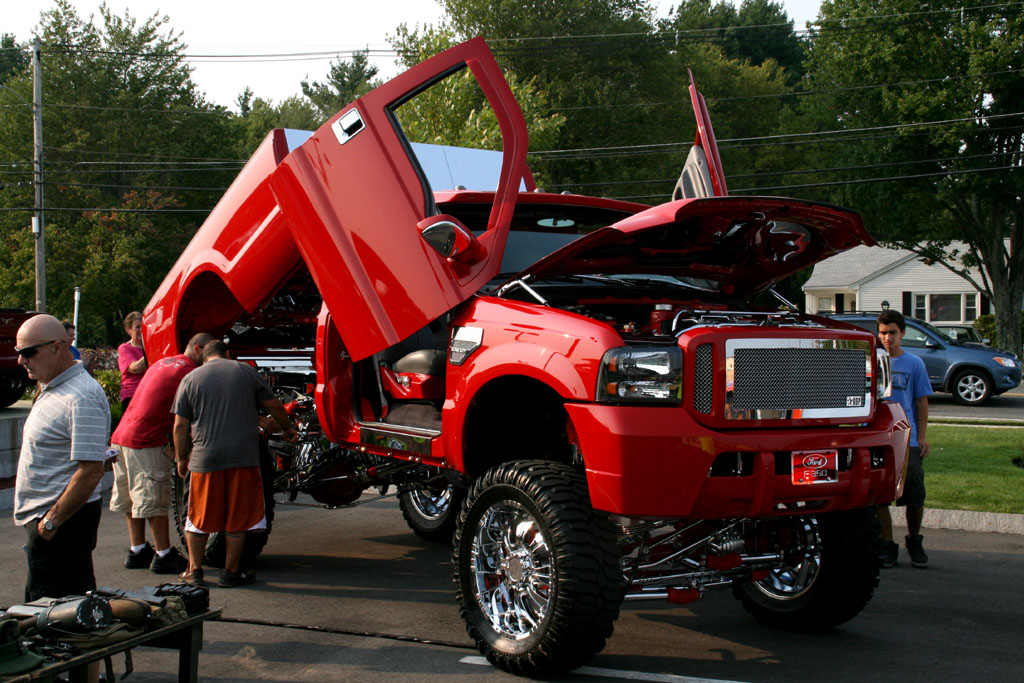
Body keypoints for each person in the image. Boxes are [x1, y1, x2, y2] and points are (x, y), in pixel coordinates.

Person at [172, 339, 296, 587]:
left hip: (205, 459)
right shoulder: (245, 372)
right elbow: (273, 405)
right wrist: (286, 429)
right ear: (227, 354)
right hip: (243, 458)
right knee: (237, 519)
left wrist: (182, 457)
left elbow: (180, 426)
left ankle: (194, 570)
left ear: (204, 356)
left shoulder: (191, 379)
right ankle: (231, 572)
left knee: (197, 518)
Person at [12, 314, 110, 600]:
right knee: (47, 611)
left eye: (28, 353)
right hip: (49, 521)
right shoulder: (54, 385)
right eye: (19, 353)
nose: (21, 360)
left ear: (57, 347)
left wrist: (50, 524)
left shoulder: (81, 396)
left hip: (61, 523)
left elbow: (91, 471)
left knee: (55, 618)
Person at [110, 331, 214, 574]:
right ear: (198, 350)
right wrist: (183, 453)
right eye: (209, 357)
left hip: (121, 436)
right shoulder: (189, 373)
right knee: (153, 499)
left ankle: (137, 549)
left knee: (133, 499)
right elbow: (188, 418)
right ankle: (164, 553)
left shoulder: (164, 362)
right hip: (145, 441)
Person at [877, 309, 933, 568]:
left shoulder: (914, 364)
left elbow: (921, 402)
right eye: (883, 332)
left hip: (907, 440)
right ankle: (887, 545)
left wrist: (922, 437)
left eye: (892, 333)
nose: (888, 338)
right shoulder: (872, 362)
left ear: (902, 333)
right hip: (878, 439)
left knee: (914, 494)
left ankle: (914, 541)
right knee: (878, 497)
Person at [118, 311, 148, 414]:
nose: (141, 330)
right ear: (129, 330)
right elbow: (136, 367)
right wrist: (152, 350)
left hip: (148, 394)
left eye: (143, 326)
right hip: (132, 395)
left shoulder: (148, 347)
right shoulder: (125, 348)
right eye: (138, 327)